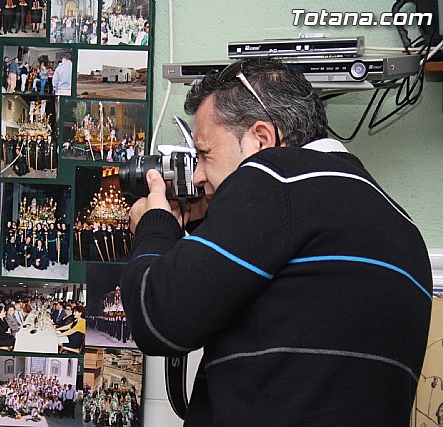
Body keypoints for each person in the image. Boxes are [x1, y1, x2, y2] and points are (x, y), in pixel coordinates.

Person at [120, 58, 433, 424]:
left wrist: (155, 224)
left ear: (262, 139)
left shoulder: (274, 176)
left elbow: (159, 318)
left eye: (205, 154)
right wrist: (208, 226)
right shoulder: (403, 227)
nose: (200, 176)